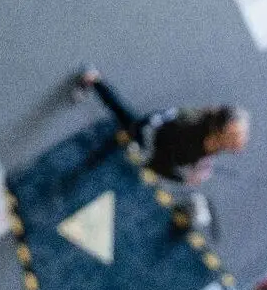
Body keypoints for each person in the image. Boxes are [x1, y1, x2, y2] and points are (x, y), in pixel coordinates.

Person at [70, 68, 249, 237]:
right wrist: (184, 179)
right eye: (235, 136)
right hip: (150, 136)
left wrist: (198, 166)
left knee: (125, 120)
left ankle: (94, 81)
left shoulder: (211, 137)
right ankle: (93, 80)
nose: (241, 143)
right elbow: (160, 163)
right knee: (123, 123)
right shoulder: (190, 137)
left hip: (159, 132)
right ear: (218, 134)